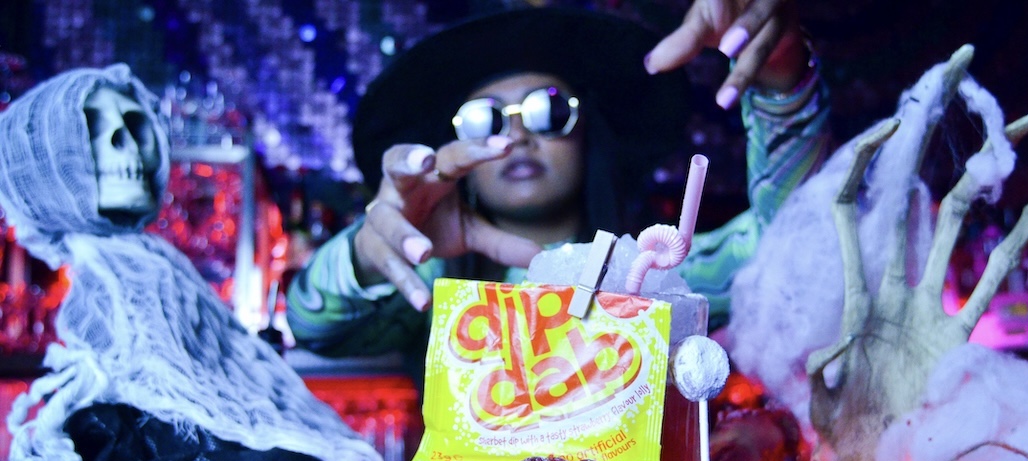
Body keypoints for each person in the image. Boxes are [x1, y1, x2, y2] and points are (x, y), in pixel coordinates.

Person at [286, 0, 831, 369]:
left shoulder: (662, 277)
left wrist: (782, 78)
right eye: (485, 120)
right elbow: (312, 326)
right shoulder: (431, 293)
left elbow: (798, 245)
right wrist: (367, 252)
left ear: (588, 132)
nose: (518, 134)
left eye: (547, 111)